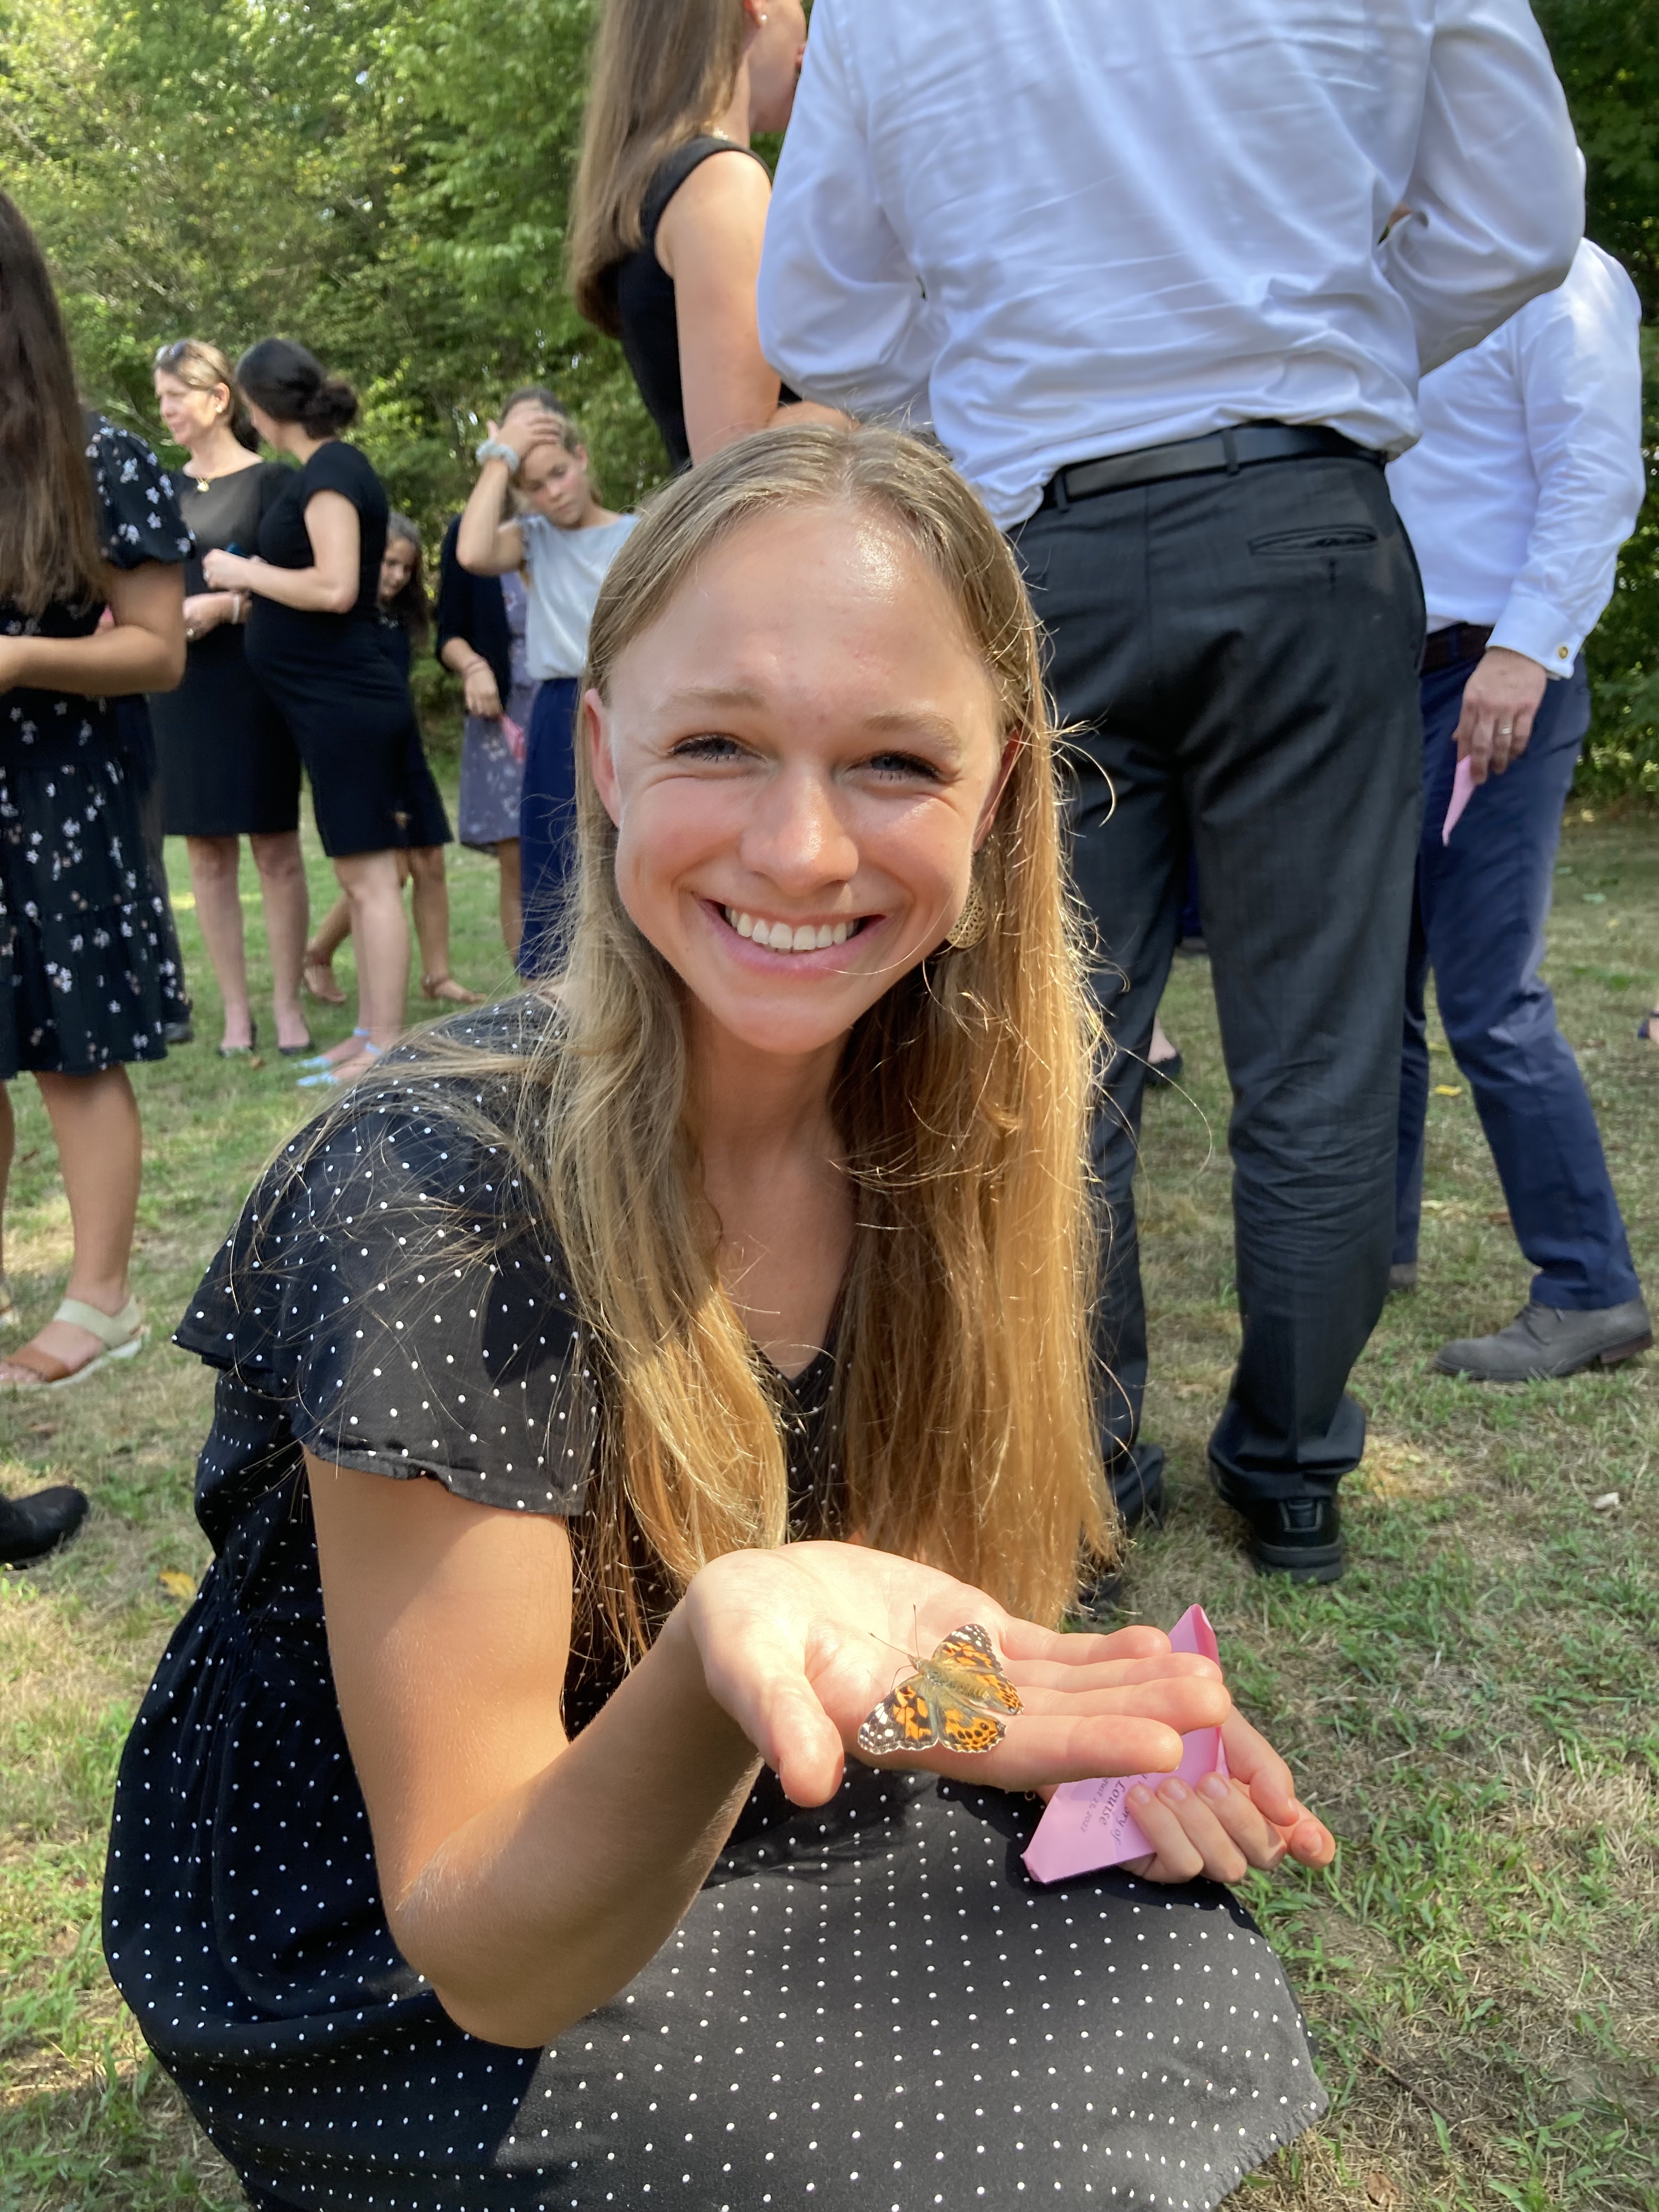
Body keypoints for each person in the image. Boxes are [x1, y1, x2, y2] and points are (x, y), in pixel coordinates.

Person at [106, 422, 1336, 2212]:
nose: (803, 846)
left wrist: (998, 1712)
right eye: (718, 744)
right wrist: (717, 1654)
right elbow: (485, 1942)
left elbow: (901, 1619)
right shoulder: (440, 1201)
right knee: (934, 2164)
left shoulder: (958, 1129)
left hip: (759, 1769)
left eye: (897, 760)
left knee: (1178, 1975)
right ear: (601, 756)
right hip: (414, 1930)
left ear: (1000, 794)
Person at [758, 0, 1583, 1582]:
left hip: (1044, 547)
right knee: (1322, 1039)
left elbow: (825, 311)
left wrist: (1009, 392)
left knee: (1048, 1038)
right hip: (1308, 520)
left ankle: (1080, 1466)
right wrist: (1327, 344)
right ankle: (1291, 1471)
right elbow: (1522, 219)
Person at [1385, 239, 1651, 1379]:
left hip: (1496, 675)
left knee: (1490, 1000)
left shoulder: (1559, 277)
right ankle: (1369, 1247)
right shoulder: (1385, 271)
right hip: (1382, 678)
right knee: (1372, 990)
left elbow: (1597, 478)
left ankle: (1590, 1288)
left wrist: (1525, 648)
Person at [0, 190, 189, 1412]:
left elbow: (160, 649)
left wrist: (19, 659)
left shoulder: (97, 453)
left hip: (53, 792)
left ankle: (101, 1297)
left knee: (71, 1051)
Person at [202, 338, 414, 1085]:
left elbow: (335, 587)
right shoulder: (326, 470)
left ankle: (385, 1043)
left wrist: (244, 572)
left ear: (260, 406)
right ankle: (366, 1035)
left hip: (344, 700)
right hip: (329, 703)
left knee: (372, 882)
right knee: (359, 878)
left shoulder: (330, 472)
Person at [569, 0, 840, 469]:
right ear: (754, 8)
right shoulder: (721, 181)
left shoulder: (664, 186)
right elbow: (737, 450)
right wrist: (890, 404)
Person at [150, 338, 311, 1057]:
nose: (165, 410)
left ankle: (286, 1006)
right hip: (182, 691)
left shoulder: (274, 482)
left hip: (255, 681)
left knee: (275, 846)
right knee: (207, 854)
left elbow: (303, 587)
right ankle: (237, 1014)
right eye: (159, 398)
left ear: (219, 399)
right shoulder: (160, 489)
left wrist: (230, 607)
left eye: (175, 396)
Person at [459, 396, 636, 973]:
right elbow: (471, 551)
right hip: (558, 709)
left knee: (623, 844)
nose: (554, 493)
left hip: (628, 701)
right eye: (535, 486)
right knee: (555, 851)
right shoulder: (533, 539)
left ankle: (635, 977)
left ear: (581, 458)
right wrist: (499, 459)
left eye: (559, 473)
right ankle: (552, 989)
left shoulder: (638, 534)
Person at [304, 514, 481, 1011]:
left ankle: (438, 976)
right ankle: (317, 953)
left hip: (406, 748)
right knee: (391, 871)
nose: (398, 576)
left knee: (430, 861)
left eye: (406, 567)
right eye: (389, 563)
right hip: (363, 754)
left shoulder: (400, 618)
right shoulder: (343, 615)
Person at [433, 478, 535, 957]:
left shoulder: (565, 527)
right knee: (518, 858)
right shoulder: (469, 534)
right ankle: (535, 987)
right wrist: (474, 667)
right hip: (504, 712)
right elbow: (448, 634)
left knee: (582, 851)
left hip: (572, 701)